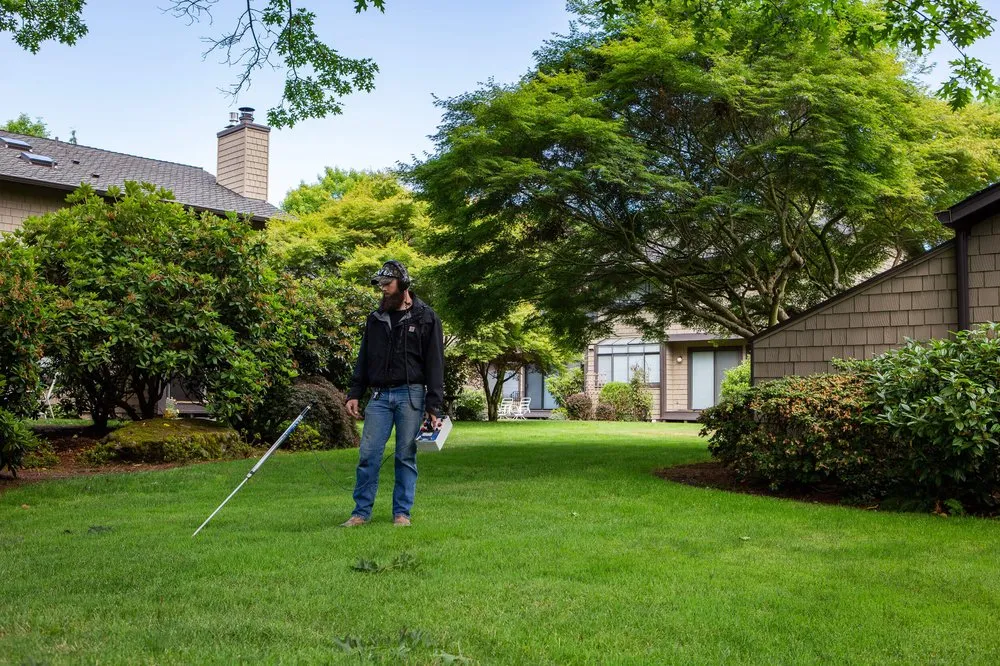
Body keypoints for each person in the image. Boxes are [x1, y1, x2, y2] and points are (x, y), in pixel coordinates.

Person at [341, 260, 445, 527]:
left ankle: (402, 513)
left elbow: (435, 362)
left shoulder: (426, 317)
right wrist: (355, 392)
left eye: (388, 285)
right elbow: (364, 358)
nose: (383, 290)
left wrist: (434, 405)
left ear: (404, 285)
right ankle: (360, 513)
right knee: (368, 454)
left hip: (411, 395)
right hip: (378, 397)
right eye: (381, 286)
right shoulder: (375, 318)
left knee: (405, 456)